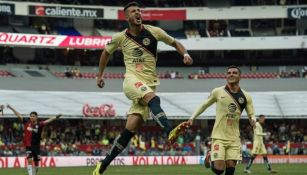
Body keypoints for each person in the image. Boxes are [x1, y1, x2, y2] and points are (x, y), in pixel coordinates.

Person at [92, 2, 193, 175]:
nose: (138, 13)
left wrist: (185, 54)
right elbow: (106, 52)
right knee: (153, 99)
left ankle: (103, 165)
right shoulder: (120, 37)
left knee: (131, 128)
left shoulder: (154, 32)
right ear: (127, 17)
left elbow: (175, 43)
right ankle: (170, 131)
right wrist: (100, 75)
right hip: (132, 81)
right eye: (133, 11)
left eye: (139, 10)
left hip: (149, 83)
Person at [174, 66, 256, 175]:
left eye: (234, 73)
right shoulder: (218, 91)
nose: (231, 74)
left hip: (234, 138)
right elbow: (204, 105)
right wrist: (192, 118)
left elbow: (251, 114)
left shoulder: (246, 96)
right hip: (219, 137)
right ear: (226, 76)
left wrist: (253, 120)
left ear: (240, 77)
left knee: (231, 169)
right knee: (219, 170)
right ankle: (209, 155)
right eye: (229, 73)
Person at [6, 104, 62, 175]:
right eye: (31, 116)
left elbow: (48, 121)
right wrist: (11, 108)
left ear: (36, 117)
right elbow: (18, 115)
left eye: (33, 116)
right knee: (29, 160)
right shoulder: (26, 122)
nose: (31, 117)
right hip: (28, 145)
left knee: (36, 163)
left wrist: (56, 117)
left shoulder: (40, 124)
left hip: (36, 146)